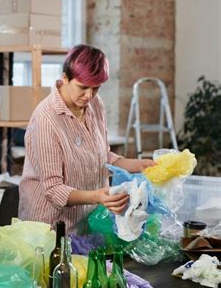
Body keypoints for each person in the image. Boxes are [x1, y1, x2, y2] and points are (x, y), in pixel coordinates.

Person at [18, 44, 156, 233]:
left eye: (96, 88)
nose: (89, 95)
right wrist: (97, 196)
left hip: (87, 221)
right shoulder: (46, 119)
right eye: (82, 87)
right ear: (65, 78)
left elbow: (100, 155)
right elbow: (53, 190)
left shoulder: (95, 104)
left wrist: (138, 165)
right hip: (50, 228)